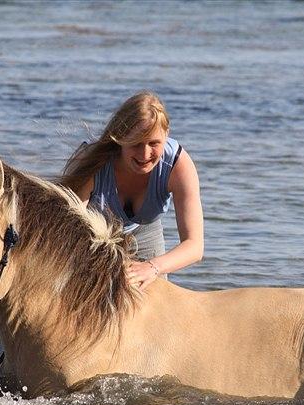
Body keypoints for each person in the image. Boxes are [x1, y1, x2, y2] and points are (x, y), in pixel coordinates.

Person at [60, 91, 203, 290]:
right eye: (135, 144)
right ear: (120, 138)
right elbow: (66, 233)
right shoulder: (92, 163)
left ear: (167, 133)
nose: (145, 154)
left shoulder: (177, 164)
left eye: (154, 143)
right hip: (93, 237)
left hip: (146, 234)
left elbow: (194, 246)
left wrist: (152, 267)